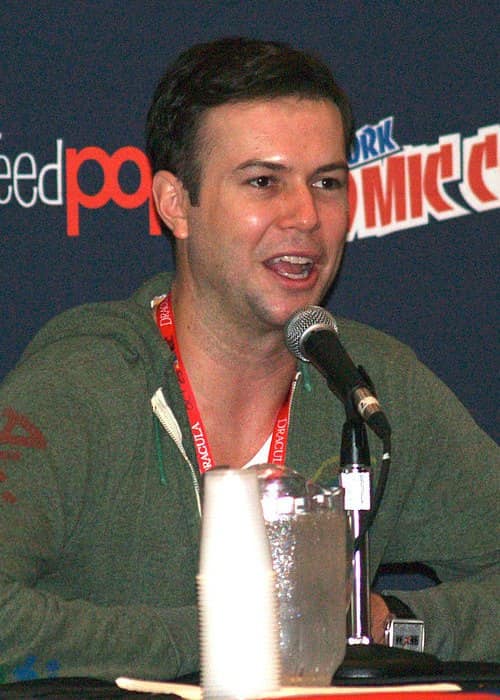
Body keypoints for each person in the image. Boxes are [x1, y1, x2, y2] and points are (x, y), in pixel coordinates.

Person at [0, 37, 498, 685]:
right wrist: (235, 632)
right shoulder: (84, 383)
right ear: (176, 203)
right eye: (263, 182)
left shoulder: (367, 383)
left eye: (326, 183)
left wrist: (387, 625)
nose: (305, 216)